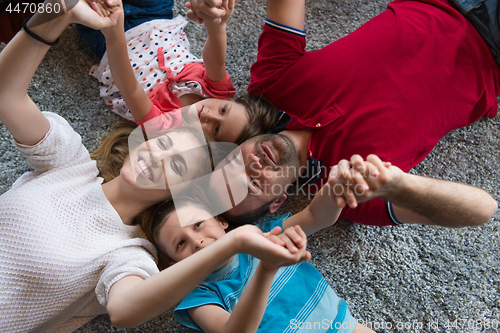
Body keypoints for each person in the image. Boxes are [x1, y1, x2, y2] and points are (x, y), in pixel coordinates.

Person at [0, 1, 305, 331]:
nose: (157, 158)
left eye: (176, 166)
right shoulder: (70, 161)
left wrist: (231, 243)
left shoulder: (129, 254)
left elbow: (124, 311)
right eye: (162, 144)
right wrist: (56, 14)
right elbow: (7, 95)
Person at [187, 0, 500, 227]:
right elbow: (482, 210)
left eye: (232, 166)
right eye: (253, 186)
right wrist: (399, 186)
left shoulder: (271, 84)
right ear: (278, 202)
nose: (252, 166)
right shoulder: (351, 195)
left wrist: (217, 9)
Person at [136, 155, 407, 333]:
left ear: (221, 221)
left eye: (198, 225)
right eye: (180, 243)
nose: (196, 241)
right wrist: (266, 270)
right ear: (173, 264)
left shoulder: (263, 234)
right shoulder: (197, 296)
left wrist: (334, 189)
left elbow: (315, 216)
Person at [88, 0, 277, 144]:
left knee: (81, 7)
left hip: (110, 39)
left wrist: (114, 33)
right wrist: (217, 22)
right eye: (223, 110)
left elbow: (130, 89)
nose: (209, 116)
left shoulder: (167, 128)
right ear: (228, 100)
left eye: (216, 129)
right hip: (155, 18)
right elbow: (215, 60)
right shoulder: (218, 91)